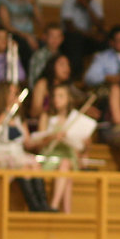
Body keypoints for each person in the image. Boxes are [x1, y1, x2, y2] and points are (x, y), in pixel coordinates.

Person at [0, 82, 54, 212]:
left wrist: (47, 138)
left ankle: (42, 204)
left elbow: (27, 143)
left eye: (16, 93)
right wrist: (8, 111)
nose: (15, 96)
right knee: (24, 166)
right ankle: (34, 206)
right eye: (12, 93)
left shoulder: (19, 118)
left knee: (35, 165)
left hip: (17, 154)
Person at [35, 84, 89, 214]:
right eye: (54, 96)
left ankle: (55, 207)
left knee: (65, 165)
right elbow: (38, 142)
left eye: (61, 96)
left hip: (68, 155)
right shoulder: (46, 116)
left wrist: (79, 141)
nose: (56, 99)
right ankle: (65, 212)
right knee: (66, 172)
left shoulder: (76, 119)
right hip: (50, 156)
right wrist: (53, 137)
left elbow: (84, 147)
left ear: (69, 98)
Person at [0, 0, 42, 70]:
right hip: (13, 35)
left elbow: (40, 23)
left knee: (44, 47)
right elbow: (6, 25)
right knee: (24, 46)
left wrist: (34, 4)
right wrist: (26, 36)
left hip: (31, 35)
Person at [58, 0, 106, 76]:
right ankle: (76, 77)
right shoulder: (69, 2)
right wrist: (91, 35)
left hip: (86, 39)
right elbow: (69, 27)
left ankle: (100, 73)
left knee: (106, 40)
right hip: (70, 38)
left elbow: (101, 26)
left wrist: (87, 7)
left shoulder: (95, 5)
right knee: (75, 39)